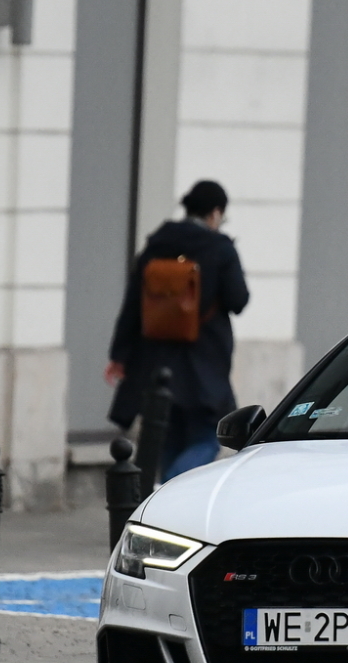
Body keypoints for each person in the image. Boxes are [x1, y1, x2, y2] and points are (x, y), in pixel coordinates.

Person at [106, 180, 250, 480]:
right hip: (204, 363)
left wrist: (120, 355)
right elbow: (239, 300)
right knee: (209, 438)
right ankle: (172, 492)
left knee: (168, 438)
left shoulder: (158, 243)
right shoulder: (220, 249)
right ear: (214, 212)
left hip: (156, 362)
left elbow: (133, 304)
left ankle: (163, 495)